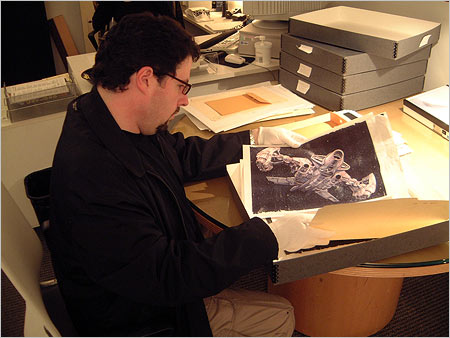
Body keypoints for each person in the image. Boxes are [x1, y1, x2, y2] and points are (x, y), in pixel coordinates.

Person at [48, 12, 328, 337]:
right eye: (182, 85)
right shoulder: (95, 177)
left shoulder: (109, 115)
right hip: (140, 316)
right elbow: (169, 275)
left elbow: (179, 154)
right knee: (281, 314)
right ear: (146, 79)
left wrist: (256, 141)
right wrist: (269, 236)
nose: (185, 99)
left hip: (142, 272)